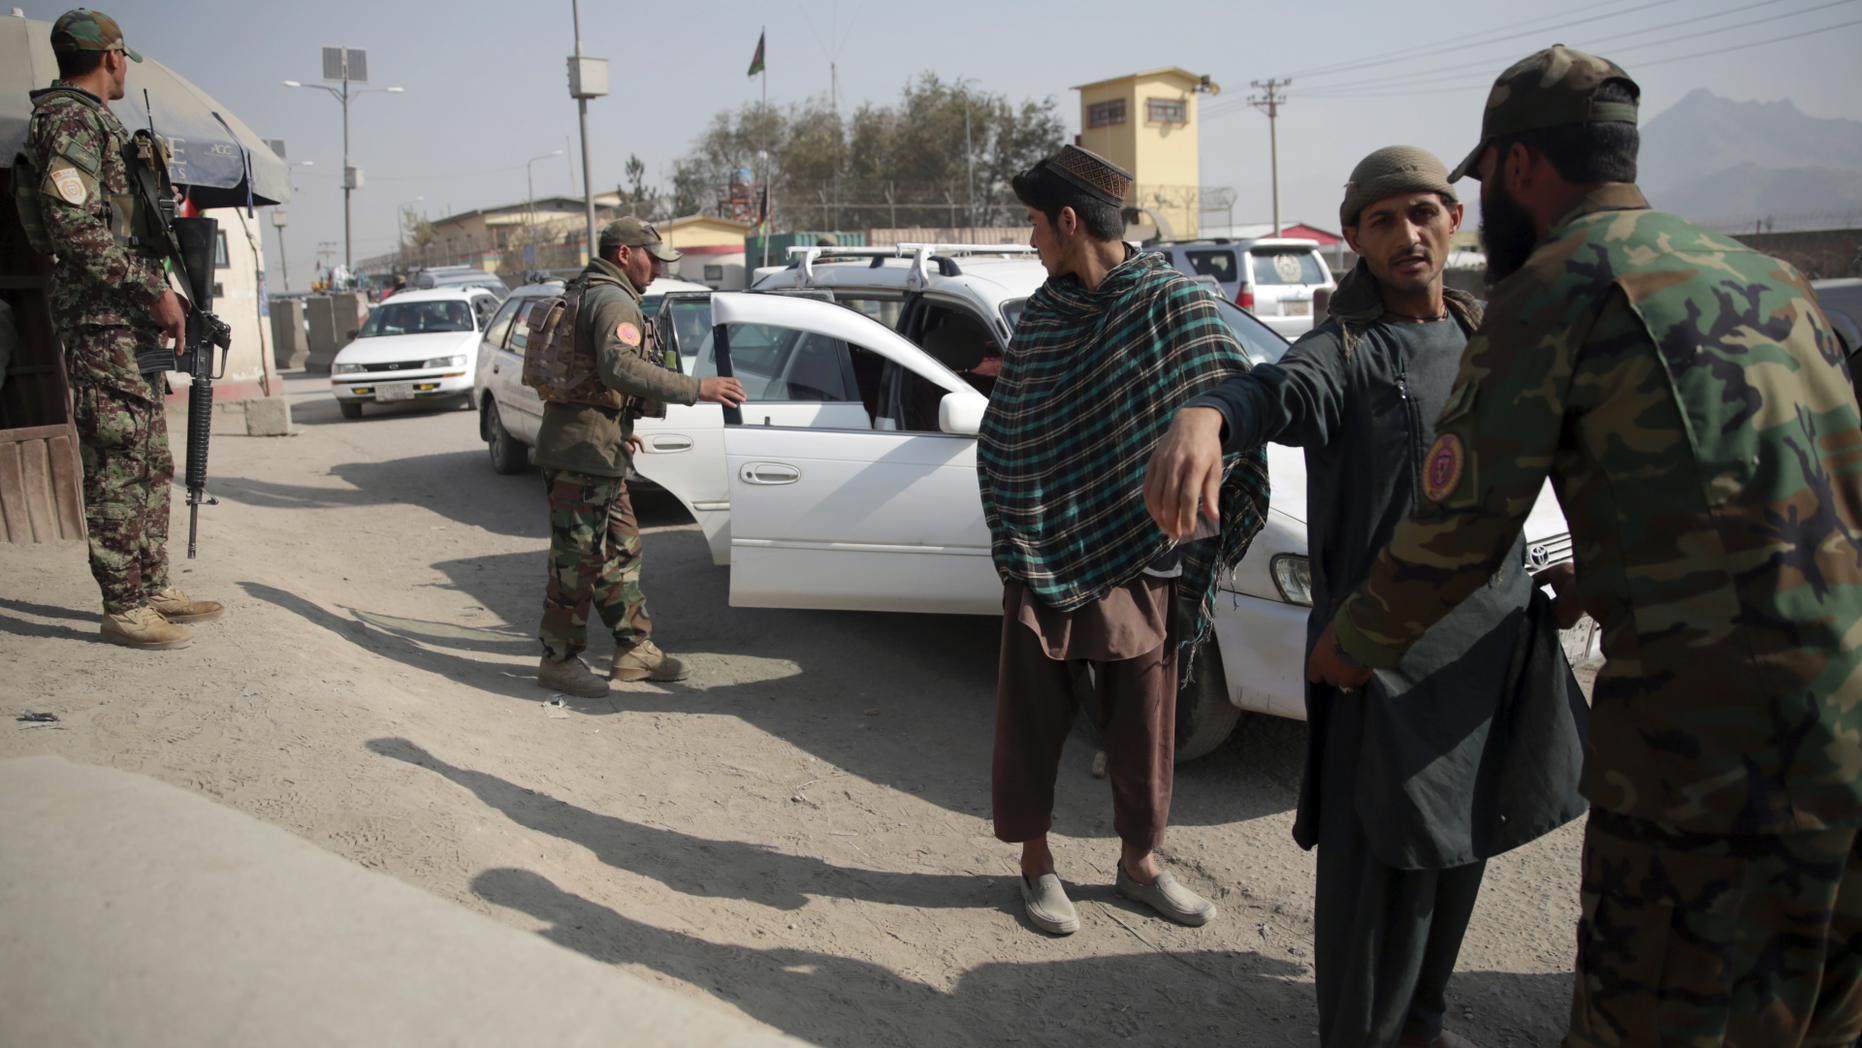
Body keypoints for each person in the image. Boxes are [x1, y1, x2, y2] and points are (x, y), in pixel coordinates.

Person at [1292, 49, 1862, 1048]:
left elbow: (1458, 529)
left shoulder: (1553, 289)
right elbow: (1800, 494)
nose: (1416, 231)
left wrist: (1353, 641)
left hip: (1704, 750)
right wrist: (1598, 571)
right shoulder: (1770, 278)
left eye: (1443, 201)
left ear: (1513, 173)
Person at [1145, 146, 1589, 1048]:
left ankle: (1422, 1022)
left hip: (1488, 651)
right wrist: (1209, 413)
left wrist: (1589, 571)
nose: (1407, 234)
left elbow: (1554, 459)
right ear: (1353, 237)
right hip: (1378, 664)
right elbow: (1276, 390)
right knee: (1371, 885)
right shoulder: (1343, 352)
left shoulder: (1481, 335)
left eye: (1423, 212)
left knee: (1460, 855)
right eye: (1382, 220)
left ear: (1453, 221)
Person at [977, 145, 1271, 936]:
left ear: (1070, 222)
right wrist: (1017, 531)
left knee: (1145, 730)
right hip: (1043, 556)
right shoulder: (1042, 316)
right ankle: (1037, 865)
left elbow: (1233, 400)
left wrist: (1199, 479)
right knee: (1031, 725)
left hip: (1142, 560)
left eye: (1036, 225)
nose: (1032, 241)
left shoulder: (1175, 305)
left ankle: (1139, 865)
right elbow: (1007, 434)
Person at [28, 9, 222, 650]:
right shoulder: (67, 122)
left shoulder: (97, 122)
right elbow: (74, 231)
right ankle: (122, 604)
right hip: (99, 317)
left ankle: (150, 585)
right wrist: (152, 291)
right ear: (110, 57)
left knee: (147, 455)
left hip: (124, 317)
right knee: (116, 457)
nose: (124, 68)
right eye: (122, 58)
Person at [533, 217, 745, 697]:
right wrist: (699, 387)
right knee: (578, 560)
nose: (657, 269)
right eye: (652, 258)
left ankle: (633, 650)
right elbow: (618, 365)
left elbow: (589, 374)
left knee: (620, 549)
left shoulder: (590, 291)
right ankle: (558, 660)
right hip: (581, 452)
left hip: (596, 445)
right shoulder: (612, 299)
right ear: (625, 254)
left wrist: (618, 427)